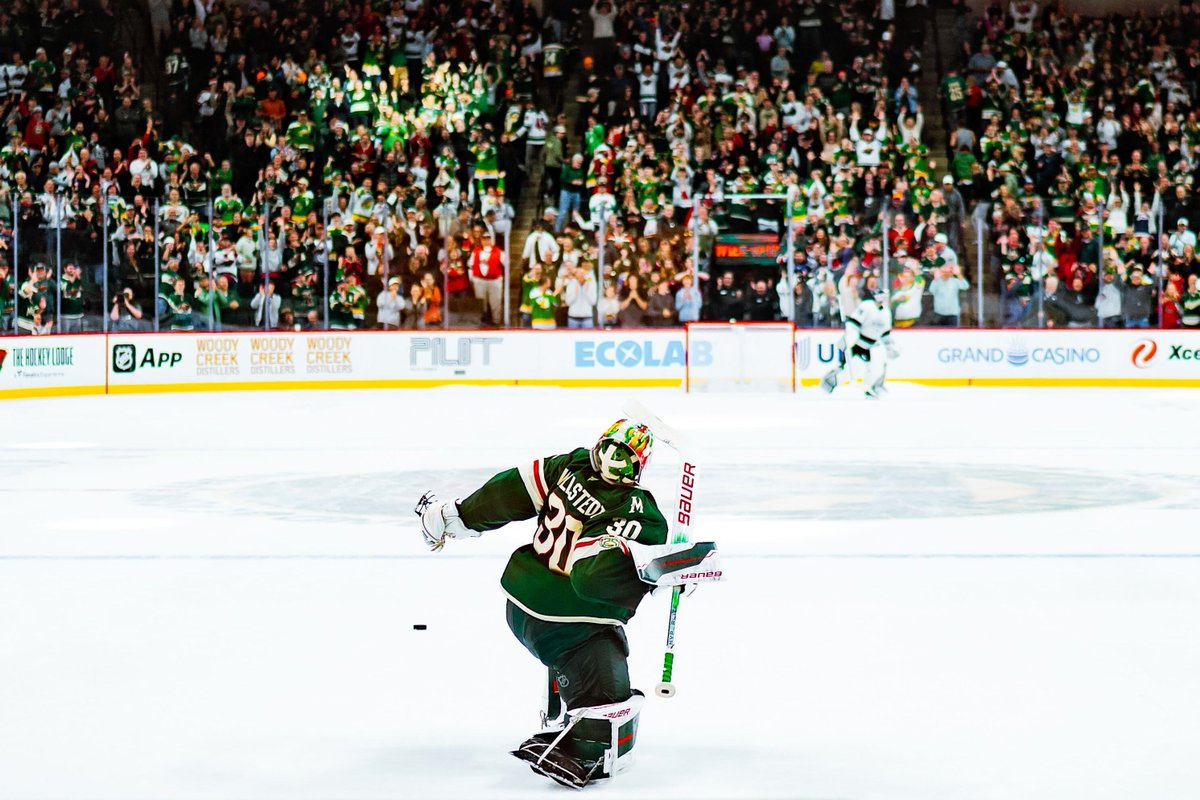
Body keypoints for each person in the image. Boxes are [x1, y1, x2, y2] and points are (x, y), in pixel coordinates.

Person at [415, 417, 719, 788]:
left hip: (520, 602)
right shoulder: (635, 508)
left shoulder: (567, 466)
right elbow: (593, 574)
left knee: (577, 646)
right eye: (611, 451)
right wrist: (667, 567)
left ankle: (561, 701)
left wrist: (456, 517)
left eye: (616, 453)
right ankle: (585, 752)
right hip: (569, 620)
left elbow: (507, 493)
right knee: (608, 702)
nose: (610, 459)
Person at [821, 289, 898, 399]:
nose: (884, 298)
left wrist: (889, 345)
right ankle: (829, 382)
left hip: (873, 345)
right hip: (858, 344)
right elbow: (853, 324)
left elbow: (885, 333)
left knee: (877, 367)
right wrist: (850, 339)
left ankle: (870, 389)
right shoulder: (866, 306)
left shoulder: (886, 312)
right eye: (881, 295)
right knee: (853, 370)